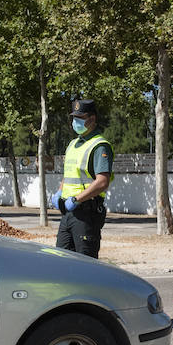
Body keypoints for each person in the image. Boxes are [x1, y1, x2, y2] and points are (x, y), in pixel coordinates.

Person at [54, 98, 113, 257]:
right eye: (74, 117)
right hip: (68, 213)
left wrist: (76, 199)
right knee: (61, 260)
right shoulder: (73, 144)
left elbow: (102, 182)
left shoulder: (99, 146)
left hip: (86, 215)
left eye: (80, 118)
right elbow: (70, 174)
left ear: (92, 119)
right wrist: (59, 193)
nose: (75, 121)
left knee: (85, 265)